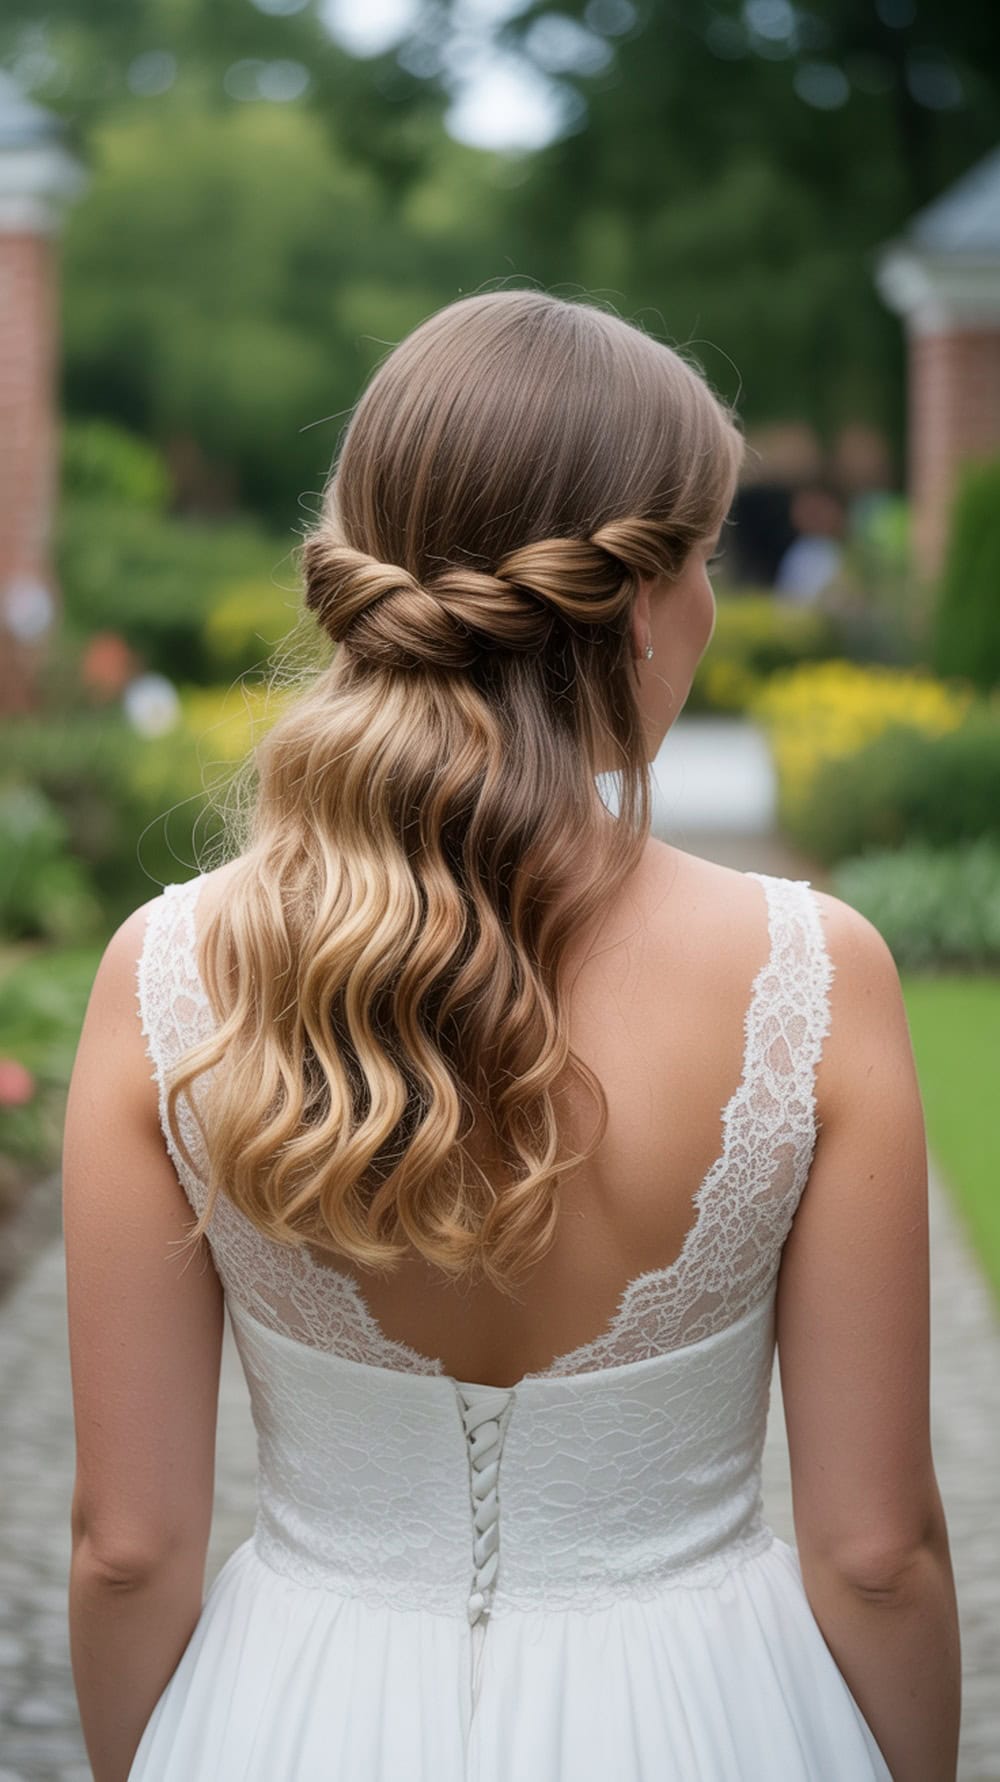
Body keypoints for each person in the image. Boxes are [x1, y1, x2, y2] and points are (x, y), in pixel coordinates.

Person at [63, 289, 960, 1782]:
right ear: (635, 597)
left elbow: (128, 1548)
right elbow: (877, 1553)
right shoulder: (814, 971)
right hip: (707, 1717)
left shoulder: (168, 972)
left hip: (297, 1716)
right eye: (707, 558)